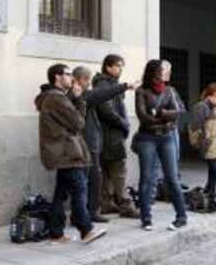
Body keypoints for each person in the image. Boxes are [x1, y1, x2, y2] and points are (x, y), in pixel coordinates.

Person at [35, 64, 106, 244]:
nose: (72, 78)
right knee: (80, 190)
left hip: (64, 152)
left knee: (61, 194)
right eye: (68, 74)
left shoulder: (54, 97)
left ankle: (56, 233)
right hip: (67, 153)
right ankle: (86, 230)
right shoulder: (56, 98)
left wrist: (74, 99)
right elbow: (78, 123)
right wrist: (80, 99)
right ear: (57, 78)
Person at [71, 66, 135, 223]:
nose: (89, 83)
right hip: (87, 144)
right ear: (78, 80)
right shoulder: (81, 95)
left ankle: (84, 213)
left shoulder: (80, 95)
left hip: (90, 143)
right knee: (91, 180)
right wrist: (125, 86)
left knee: (87, 180)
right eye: (86, 80)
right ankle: (90, 213)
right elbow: (102, 94)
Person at [134, 59, 187, 231]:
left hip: (166, 138)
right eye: (161, 71)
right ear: (153, 73)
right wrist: (165, 120)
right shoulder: (141, 91)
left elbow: (178, 113)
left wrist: (159, 112)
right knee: (147, 179)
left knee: (172, 178)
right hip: (146, 138)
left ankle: (181, 216)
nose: (164, 74)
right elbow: (143, 117)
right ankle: (146, 217)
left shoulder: (169, 91)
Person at [92, 55, 139, 218]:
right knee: (119, 170)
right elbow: (106, 110)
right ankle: (126, 205)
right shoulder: (104, 84)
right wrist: (123, 123)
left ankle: (107, 203)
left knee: (107, 170)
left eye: (121, 66)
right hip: (110, 134)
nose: (120, 69)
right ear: (108, 67)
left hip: (110, 133)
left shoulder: (109, 83)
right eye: (118, 66)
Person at [150, 60, 186, 201]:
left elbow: (181, 109)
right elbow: (148, 113)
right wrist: (167, 113)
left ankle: (170, 193)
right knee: (154, 164)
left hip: (171, 129)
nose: (169, 73)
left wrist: (162, 113)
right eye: (166, 70)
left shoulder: (171, 90)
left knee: (173, 161)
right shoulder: (146, 90)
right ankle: (151, 195)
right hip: (156, 131)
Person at [190, 83, 216, 197]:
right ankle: (208, 192)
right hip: (209, 146)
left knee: (213, 174)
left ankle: (209, 194)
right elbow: (195, 127)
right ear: (211, 95)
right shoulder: (202, 107)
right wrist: (201, 143)